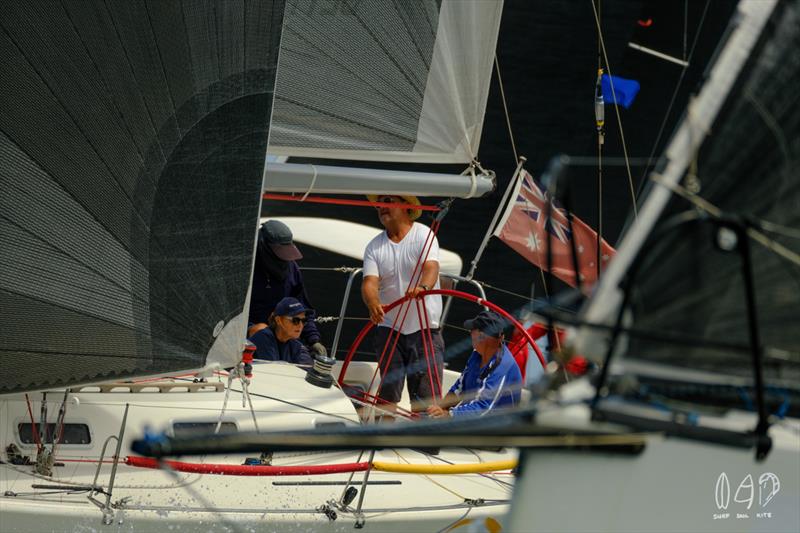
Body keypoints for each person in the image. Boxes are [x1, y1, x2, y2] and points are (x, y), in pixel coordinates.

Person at [361, 194, 444, 413]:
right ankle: (382, 444)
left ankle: (425, 446)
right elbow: (369, 283)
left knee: (426, 399)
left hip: (425, 329)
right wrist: (373, 303)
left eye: (388, 201)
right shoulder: (374, 246)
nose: (381, 207)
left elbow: (431, 268)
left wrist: (423, 288)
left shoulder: (424, 234)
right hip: (389, 328)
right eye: (379, 203)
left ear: (407, 207)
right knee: (387, 394)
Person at [248, 220, 327, 357]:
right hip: (253, 335)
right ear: (265, 247)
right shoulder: (247, 268)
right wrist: (249, 328)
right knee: (264, 334)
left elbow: (302, 308)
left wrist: (313, 339)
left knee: (306, 362)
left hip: (286, 334)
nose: (285, 260)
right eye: (281, 253)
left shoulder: (292, 268)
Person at [427, 310, 522, 418]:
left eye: (472, 330)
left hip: (494, 428)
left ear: (481, 336)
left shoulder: (503, 367)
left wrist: (448, 415)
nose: (470, 333)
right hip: (472, 420)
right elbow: (459, 387)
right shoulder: (476, 354)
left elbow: (483, 409)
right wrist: (441, 407)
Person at [248, 297, 314, 366]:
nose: (300, 325)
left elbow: (308, 368)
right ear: (278, 320)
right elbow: (274, 371)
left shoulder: (295, 345)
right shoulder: (263, 338)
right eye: (295, 320)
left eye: (304, 321)